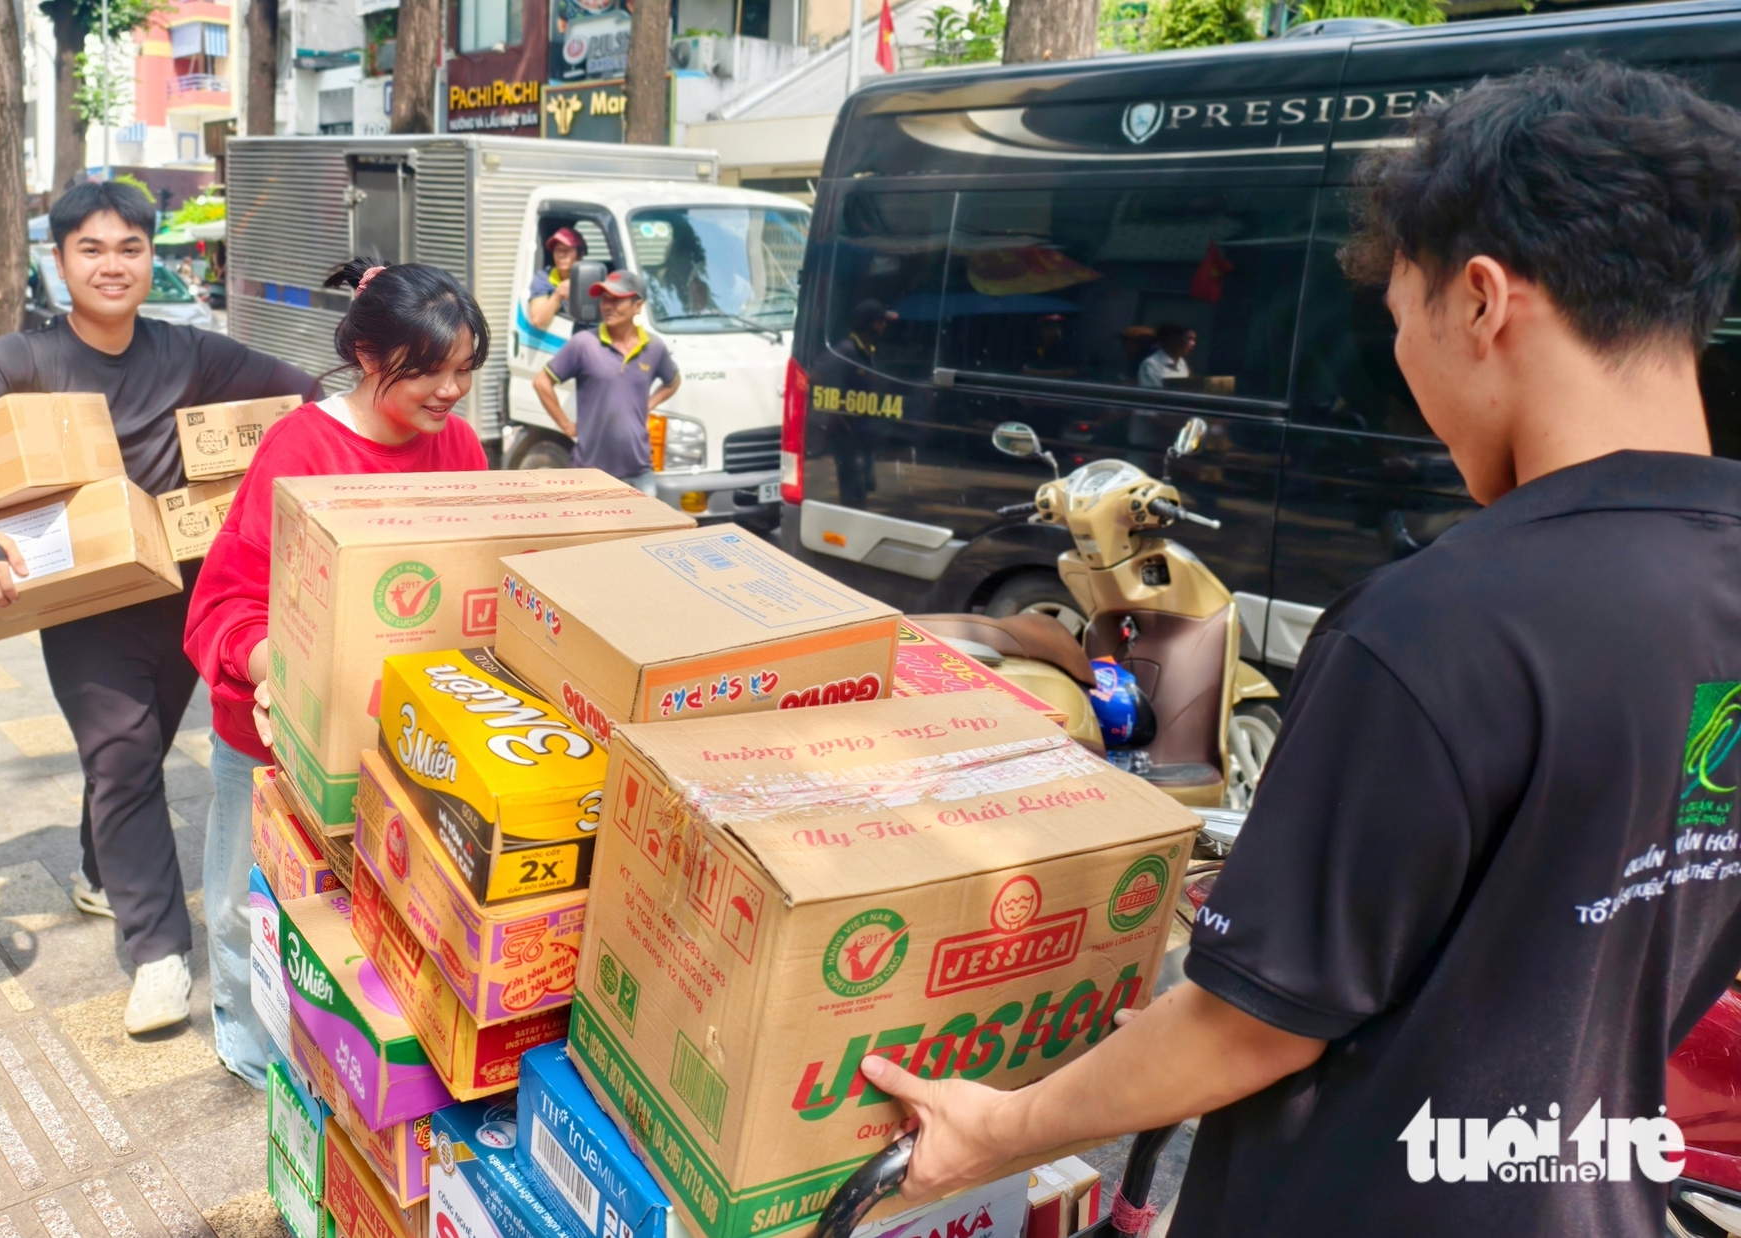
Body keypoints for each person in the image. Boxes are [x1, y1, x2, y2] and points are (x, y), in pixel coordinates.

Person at [859, 61, 1741, 1236]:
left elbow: (1253, 1022)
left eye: (1399, 321)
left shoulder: (1442, 625)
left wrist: (997, 1127)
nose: (1403, 367)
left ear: (1479, 300)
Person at [0, 182, 318, 1036]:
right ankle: (158, 952)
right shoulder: (31, 356)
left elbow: (304, 395)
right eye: (92, 249)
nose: (112, 264)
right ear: (61, 262)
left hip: (184, 599)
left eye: (129, 247)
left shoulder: (188, 351)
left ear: (149, 257)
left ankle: (100, 868)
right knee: (123, 757)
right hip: (87, 603)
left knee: (140, 751)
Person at [184, 259, 489, 1088]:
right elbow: (227, 603)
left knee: (350, 912)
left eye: (464, 370)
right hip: (277, 732)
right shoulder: (302, 448)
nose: (451, 392)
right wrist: (273, 672)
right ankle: (248, 1045)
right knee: (247, 900)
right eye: (427, 370)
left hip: (402, 734)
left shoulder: (457, 444)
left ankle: (335, 1057)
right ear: (364, 353)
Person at [531, 269, 680, 481]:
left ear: (638, 306)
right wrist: (565, 425)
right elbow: (541, 382)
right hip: (590, 474)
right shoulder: (583, 344)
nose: (607, 306)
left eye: (616, 300)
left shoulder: (654, 348)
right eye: (604, 299)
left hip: (640, 473)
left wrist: (647, 404)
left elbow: (673, 382)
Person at [525, 226, 586, 330]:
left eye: (567, 250)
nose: (561, 255)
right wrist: (558, 295)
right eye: (557, 250)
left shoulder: (589, 277)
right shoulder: (543, 278)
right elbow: (538, 320)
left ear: (580, 254)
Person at [1137, 322, 1194, 388]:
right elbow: (1154, 394)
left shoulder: (1181, 362)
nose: (1191, 344)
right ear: (1169, 341)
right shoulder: (1150, 364)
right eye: (1187, 339)